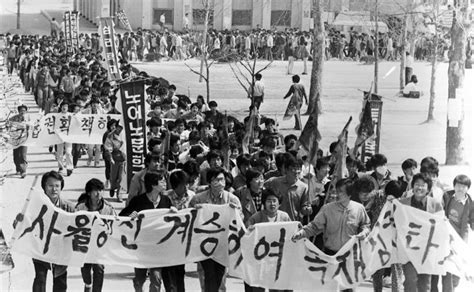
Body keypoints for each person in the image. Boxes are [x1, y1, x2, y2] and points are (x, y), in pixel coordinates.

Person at [291, 178, 370, 292]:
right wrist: (302, 233)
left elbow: (366, 225)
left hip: (349, 256)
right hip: (330, 255)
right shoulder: (327, 209)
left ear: (349, 193)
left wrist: (364, 233)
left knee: (348, 288)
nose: (337, 194)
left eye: (340, 192)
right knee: (331, 287)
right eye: (336, 190)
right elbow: (314, 227)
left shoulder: (359, 209)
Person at [189, 167, 243, 292]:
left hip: (223, 244)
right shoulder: (198, 199)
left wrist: (235, 212)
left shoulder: (232, 199)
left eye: (222, 179)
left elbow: (240, 220)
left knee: (220, 277)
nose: (220, 183)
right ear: (209, 182)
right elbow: (189, 219)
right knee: (208, 275)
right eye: (216, 180)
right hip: (204, 244)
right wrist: (194, 211)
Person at [120, 171, 173, 292]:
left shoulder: (166, 200)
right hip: (141, 246)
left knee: (156, 277)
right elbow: (122, 216)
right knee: (140, 278)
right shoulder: (138, 201)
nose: (165, 183)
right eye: (162, 181)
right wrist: (130, 216)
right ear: (153, 185)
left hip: (158, 246)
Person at [31, 171, 75, 292]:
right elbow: (26, 223)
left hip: (61, 250)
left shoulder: (69, 207)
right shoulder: (35, 205)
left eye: (57, 186)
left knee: (60, 281)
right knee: (40, 278)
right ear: (44, 187)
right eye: (50, 186)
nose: (54, 189)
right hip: (40, 248)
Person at [398, 173, 443, 292]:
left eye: (423, 185)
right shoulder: (402, 203)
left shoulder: (435, 204)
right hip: (409, 250)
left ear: (428, 188)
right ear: (412, 186)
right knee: (410, 281)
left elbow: (441, 227)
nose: (420, 188)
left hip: (427, 251)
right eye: (417, 184)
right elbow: (395, 222)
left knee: (425, 283)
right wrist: (391, 202)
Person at [245, 189, 291, 292]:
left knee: (277, 287)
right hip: (260, 258)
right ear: (264, 203)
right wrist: (250, 230)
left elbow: (290, 234)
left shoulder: (284, 216)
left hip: (278, 257)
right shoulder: (256, 217)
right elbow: (247, 232)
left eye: (275, 201)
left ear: (279, 203)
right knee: (258, 287)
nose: (272, 204)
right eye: (269, 201)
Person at [433, 174, 474, 291]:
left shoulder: (470, 204)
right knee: (443, 265)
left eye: (464, 186)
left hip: (459, 239)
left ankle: (453, 287)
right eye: (458, 186)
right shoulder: (447, 196)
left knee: (456, 266)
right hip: (444, 236)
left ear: (468, 188)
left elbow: (472, 221)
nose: (461, 189)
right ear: (454, 186)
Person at [76, 179, 116, 292]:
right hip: (85, 243)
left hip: (100, 244)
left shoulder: (108, 208)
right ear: (89, 193)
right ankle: (88, 284)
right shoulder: (80, 207)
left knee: (99, 268)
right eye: (95, 191)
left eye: (100, 190)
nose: (98, 193)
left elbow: (116, 224)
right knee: (85, 268)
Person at [162, 170, 195, 292]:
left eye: (187, 184)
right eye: (183, 185)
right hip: (168, 241)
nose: (186, 187)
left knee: (180, 272)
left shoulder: (192, 197)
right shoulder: (165, 197)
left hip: (184, 241)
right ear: (175, 186)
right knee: (168, 274)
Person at [264, 154, 312, 222]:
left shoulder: (304, 187)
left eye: (299, 169)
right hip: (274, 222)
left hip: (293, 223)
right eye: (293, 169)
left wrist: (307, 209)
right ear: (286, 170)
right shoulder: (274, 182)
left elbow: (304, 207)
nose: (296, 172)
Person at [103, 122, 126, 201]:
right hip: (114, 159)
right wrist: (110, 158)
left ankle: (119, 194)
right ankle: (112, 188)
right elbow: (108, 148)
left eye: (121, 127)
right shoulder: (110, 136)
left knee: (121, 177)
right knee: (113, 177)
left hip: (124, 159)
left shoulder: (125, 135)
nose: (120, 129)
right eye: (118, 127)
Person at [9, 105, 30, 178]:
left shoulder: (28, 118)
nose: (22, 112)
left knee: (23, 155)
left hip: (24, 139)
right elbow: (9, 125)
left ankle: (23, 171)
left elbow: (33, 126)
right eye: (21, 110)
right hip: (15, 139)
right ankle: (18, 168)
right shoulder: (13, 118)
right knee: (16, 155)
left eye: (24, 110)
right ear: (18, 111)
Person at [55, 101, 74, 176]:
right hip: (59, 135)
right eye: (63, 106)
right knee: (59, 152)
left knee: (68, 152)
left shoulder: (71, 115)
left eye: (66, 106)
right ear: (61, 107)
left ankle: (69, 167)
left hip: (68, 136)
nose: (64, 107)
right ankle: (60, 167)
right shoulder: (57, 115)